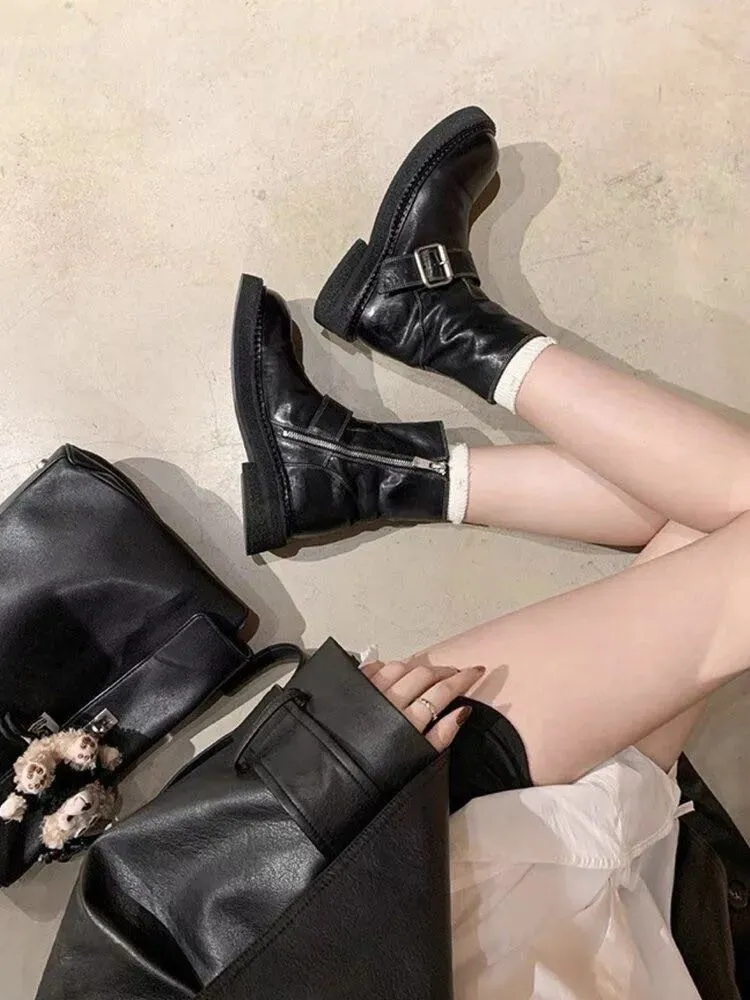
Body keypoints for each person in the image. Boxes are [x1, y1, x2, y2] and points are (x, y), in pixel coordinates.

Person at [231, 107, 750, 997]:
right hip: (622, 925)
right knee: (722, 516)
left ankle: (425, 339)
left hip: (428, 902)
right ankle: (363, 457)